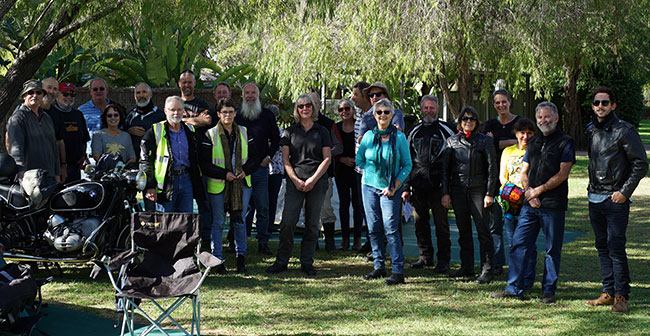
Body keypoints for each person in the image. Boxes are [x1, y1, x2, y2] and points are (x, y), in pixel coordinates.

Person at [491, 101, 575, 304]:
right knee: (519, 244)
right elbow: (524, 171)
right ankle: (514, 288)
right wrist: (529, 192)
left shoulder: (565, 142)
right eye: (540, 118)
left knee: (551, 249)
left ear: (555, 118)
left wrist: (539, 190)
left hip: (553, 205)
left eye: (547, 117)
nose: (543, 120)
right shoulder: (535, 142)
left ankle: (548, 290)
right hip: (530, 204)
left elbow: (563, 173)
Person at [584, 87, 648, 313]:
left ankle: (621, 296)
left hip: (615, 200)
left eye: (604, 102)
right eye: (596, 103)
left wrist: (624, 192)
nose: (600, 106)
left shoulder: (624, 130)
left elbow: (641, 164)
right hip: (595, 198)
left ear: (613, 105)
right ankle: (608, 292)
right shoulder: (591, 130)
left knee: (616, 248)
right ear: (592, 106)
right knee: (602, 247)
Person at [266, 94, 331, 276]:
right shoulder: (289, 132)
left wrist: (312, 180)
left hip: (317, 182)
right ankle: (281, 261)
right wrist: (295, 180)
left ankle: (307, 262)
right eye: (301, 106)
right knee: (287, 222)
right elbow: (285, 159)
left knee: (311, 224)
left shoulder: (322, 131)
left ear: (313, 108)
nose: (305, 109)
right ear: (297, 109)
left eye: (308, 105)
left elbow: (327, 158)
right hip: (295, 182)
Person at [356, 99, 412, 285]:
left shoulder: (400, 137)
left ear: (392, 114)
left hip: (390, 188)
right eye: (379, 112)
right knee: (373, 227)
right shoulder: (368, 137)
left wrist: (394, 184)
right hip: (369, 186)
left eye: (386, 112)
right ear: (374, 115)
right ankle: (379, 266)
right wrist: (373, 172)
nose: (382, 115)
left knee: (391, 228)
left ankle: (397, 270)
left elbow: (407, 164)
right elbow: (360, 160)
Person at [199, 98, 257, 274]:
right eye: (224, 112)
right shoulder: (210, 134)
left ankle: (241, 258)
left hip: (241, 184)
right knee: (218, 222)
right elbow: (205, 164)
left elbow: (255, 158)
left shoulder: (246, 132)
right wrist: (224, 174)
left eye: (231, 111)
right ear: (218, 114)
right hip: (218, 185)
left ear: (235, 113)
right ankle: (217, 260)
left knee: (239, 221)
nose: (228, 115)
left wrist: (245, 171)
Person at [441, 106, 497, 284]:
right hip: (458, 191)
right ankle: (467, 267)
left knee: (483, 230)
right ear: (459, 122)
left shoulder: (484, 141)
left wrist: (489, 193)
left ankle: (487, 269)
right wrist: (445, 193)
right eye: (465, 119)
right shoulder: (451, 141)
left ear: (477, 122)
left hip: (478, 190)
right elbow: (445, 170)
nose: (468, 122)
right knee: (463, 229)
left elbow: (491, 168)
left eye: (472, 119)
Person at [401, 95, 455, 273]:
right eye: (426, 108)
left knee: (441, 225)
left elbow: (454, 159)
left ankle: (444, 260)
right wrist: (406, 187)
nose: (429, 111)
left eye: (432, 108)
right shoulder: (414, 131)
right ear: (421, 109)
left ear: (438, 109)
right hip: (418, 186)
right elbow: (407, 161)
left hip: (439, 186)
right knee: (420, 223)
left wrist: (447, 185)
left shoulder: (447, 129)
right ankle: (425, 257)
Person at [235, 82, 281, 255]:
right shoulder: (237, 115)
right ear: (242, 95)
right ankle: (238, 242)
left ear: (258, 95)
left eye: (253, 92)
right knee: (239, 206)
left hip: (260, 169)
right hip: (241, 170)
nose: (250, 96)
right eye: (247, 93)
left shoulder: (267, 114)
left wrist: (268, 157)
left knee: (263, 206)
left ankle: (263, 241)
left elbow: (276, 139)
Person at [140, 96, 205, 213]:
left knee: (186, 221)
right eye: (172, 110)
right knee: (165, 224)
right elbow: (145, 161)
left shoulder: (190, 130)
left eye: (179, 110)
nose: (176, 113)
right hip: (165, 183)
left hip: (186, 180)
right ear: (165, 111)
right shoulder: (155, 131)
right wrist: (150, 186)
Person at [482, 89, 520, 274]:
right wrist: (510, 141)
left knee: (515, 226)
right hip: (494, 182)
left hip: (516, 184)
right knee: (494, 225)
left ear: (509, 102)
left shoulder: (520, 122)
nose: (501, 105)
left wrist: (497, 142)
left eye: (504, 102)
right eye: (497, 102)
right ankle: (497, 264)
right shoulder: (489, 125)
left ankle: (518, 263)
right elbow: (483, 146)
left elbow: (525, 143)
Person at [497, 117, 537, 291]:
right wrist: (509, 192)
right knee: (513, 243)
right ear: (516, 133)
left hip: (528, 202)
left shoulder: (536, 150)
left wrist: (525, 194)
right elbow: (502, 176)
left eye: (529, 133)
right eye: (522, 133)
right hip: (510, 202)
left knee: (528, 244)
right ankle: (515, 279)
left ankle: (527, 280)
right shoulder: (508, 151)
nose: (525, 137)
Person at [178, 70, 216, 244]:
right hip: (181, 160)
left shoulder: (200, 103)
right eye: (184, 82)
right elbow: (170, 121)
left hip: (201, 160)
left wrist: (183, 121)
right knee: (182, 204)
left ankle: (205, 238)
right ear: (179, 84)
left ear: (194, 84)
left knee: (204, 203)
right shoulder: (176, 103)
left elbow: (207, 121)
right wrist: (195, 120)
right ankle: (182, 238)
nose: (187, 85)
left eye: (190, 82)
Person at [309, 92, 343, 254]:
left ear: (320, 104)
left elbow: (339, 147)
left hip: (325, 174)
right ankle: (312, 242)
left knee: (326, 208)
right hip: (304, 174)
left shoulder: (329, 124)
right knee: (308, 209)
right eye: (308, 103)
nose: (311, 106)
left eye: (314, 103)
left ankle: (330, 242)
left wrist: (325, 153)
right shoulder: (299, 123)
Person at [7, 79, 60, 182]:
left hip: (49, 176)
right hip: (30, 178)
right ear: (24, 96)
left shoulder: (47, 118)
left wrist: (57, 174)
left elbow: (53, 147)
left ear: (42, 96)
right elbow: (16, 149)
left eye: (38, 92)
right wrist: (21, 173)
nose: (35, 95)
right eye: (31, 92)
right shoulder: (18, 118)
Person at [333, 98, 364, 250]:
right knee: (344, 204)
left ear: (353, 110)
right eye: (341, 110)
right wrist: (341, 159)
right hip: (341, 170)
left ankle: (357, 238)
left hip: (358, 171)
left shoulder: (359, 126)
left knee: (358, 204)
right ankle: (345, 239)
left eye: (346, 109)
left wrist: (356, 160)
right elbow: (331, 150)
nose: (344, 112)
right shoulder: (336, 128)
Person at [52, 82, 90, 182]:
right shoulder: (51, 114)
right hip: (57, 167)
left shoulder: (78, 114)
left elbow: (84, 139)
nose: (69, 97)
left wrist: (83, 156)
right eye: (65, 94)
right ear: (57, 95)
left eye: (72, 94)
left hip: (76, 166)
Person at [125, 82, 165, 159]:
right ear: (135, 96)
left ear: (150, 94)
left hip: (154, 159)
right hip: (133, 160)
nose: (141, 95)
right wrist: (129, 131)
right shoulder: (130, 116)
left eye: (144, 92)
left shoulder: (161, 116)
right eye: (138, 93)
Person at [41, 77, 67, 182]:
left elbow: (60, 141)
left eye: (55, 89)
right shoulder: (27, 110)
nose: (51, 91)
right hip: (30, 168)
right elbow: (10, 137)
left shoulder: (56, 114)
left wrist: (63, 166)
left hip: (51, 169)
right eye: (49, 88)